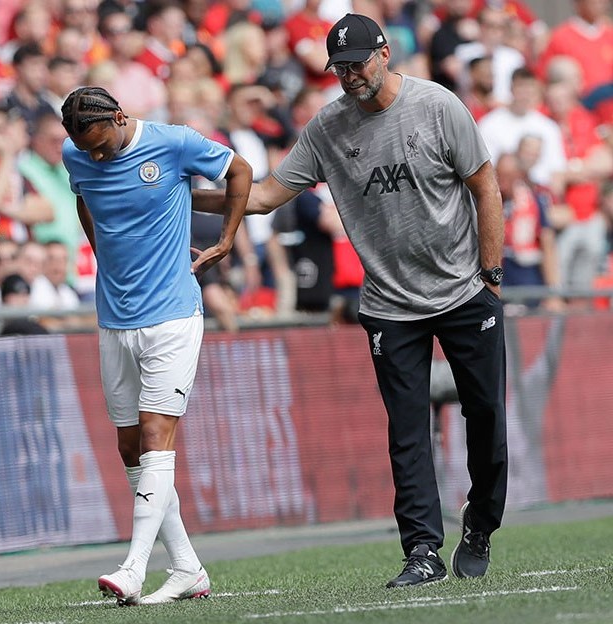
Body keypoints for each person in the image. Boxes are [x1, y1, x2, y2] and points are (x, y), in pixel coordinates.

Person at [194, 13, 508, 588]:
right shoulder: (327, 128)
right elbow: (263, 196)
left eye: (357, 64)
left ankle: (481, 522)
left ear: (384, 53)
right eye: (339, 68)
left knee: (486, 418)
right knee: (406, 431)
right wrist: (179, 195)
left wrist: (491, 274)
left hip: (465, 289)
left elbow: (485, 186)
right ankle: (422, 550)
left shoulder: (438, 106)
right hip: (389, 303)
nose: (349, 76)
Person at [60, 86, 252, 605]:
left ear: (120, 118)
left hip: (172, 315)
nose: (97, 157)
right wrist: (101, 248)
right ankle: (187, 567)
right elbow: (83, 196)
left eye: (102, 146)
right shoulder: (76, 154)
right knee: (129, 446)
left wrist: (226, 239)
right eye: (87, 150)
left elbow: (240, 170)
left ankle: (135, 567)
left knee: (154, 433)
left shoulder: (174, 142)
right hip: (113, 318)